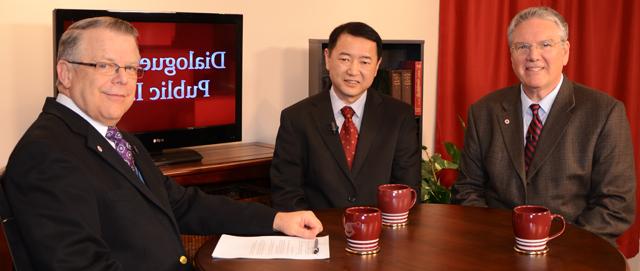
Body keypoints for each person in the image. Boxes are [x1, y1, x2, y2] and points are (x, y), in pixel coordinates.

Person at [2, 16, 322, 271]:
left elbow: (181, 204)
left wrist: (278, 219)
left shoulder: (118, 138)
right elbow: (80, 264)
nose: (123, 79)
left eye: (131, 68)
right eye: (105, 65)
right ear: (65, 73)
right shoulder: (46, 154)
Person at [451, 6, 636, 244]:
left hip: (576, 253)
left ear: (566, 51)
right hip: (498, 249)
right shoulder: (484, 111)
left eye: (545, 45)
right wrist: (500, 240)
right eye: (522, 47)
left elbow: (616, 205)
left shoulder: (604, 113)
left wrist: (554, 247)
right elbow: (467, 190)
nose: (533, 56)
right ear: (511, 55)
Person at [270, 22, 421, 211]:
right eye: (345, 59)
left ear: (377, 66)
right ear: (327, 58)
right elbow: (286, 193)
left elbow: (406, 191)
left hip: (379, 234)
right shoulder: (296, 118)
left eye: (365, 62)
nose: (353, 71)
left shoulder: (399, 117)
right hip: (316, 234)